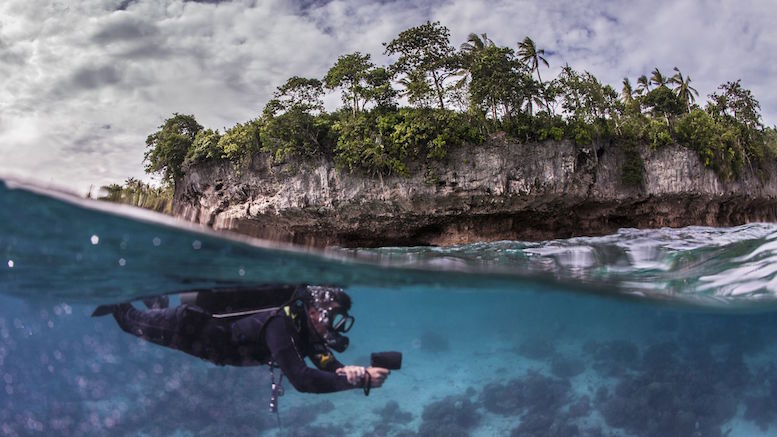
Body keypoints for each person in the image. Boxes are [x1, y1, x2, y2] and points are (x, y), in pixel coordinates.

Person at [94, 284, 390, 394]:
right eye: (335, 316)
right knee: (127, 321)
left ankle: (156, 300)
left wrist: (355, 374)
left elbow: (327, 365)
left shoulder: (306, 333)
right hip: (187, 330)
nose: (337, 327)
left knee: (148, 318)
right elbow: (302, 380)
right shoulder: (281, 325)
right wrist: (356, 380)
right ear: (314, 310)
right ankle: (117, 293)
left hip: (199, 333)